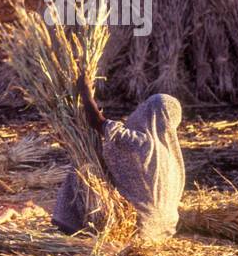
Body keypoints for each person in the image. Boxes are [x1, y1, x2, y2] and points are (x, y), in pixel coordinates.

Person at [52, 77, 185, 243]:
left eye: (145, 106)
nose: (139, 108)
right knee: (93, 163)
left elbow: (97, 122)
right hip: (162, 231)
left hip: (136, 227)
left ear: (152, 114)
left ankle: (70, 229)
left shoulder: (143, 143)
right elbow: (114, 166)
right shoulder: (172, 158)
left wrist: (85, 92)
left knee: (82, 167)